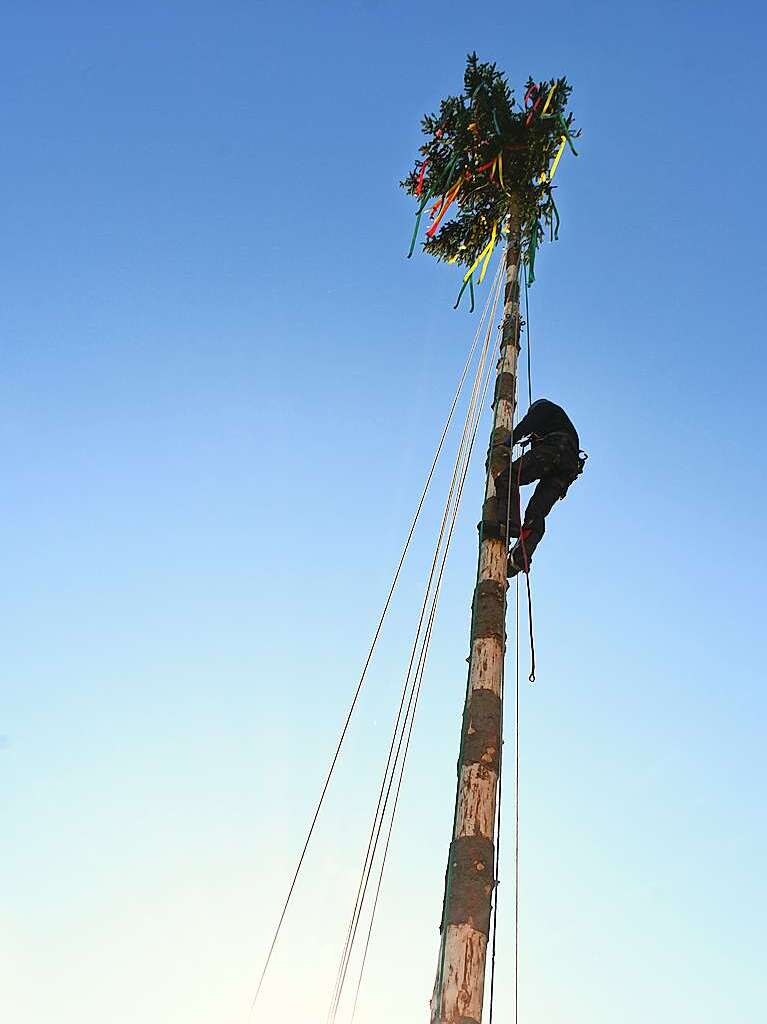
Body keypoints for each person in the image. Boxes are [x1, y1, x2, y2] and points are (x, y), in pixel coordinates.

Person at [492, 399, 585, 577]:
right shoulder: (558, 423)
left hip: (555, 450)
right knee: (536, 512)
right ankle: (521, 556)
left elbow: (528, 424)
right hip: (567, 469)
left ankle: (508, 522)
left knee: (508, 477)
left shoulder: (543, 408)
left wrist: (509, 441)